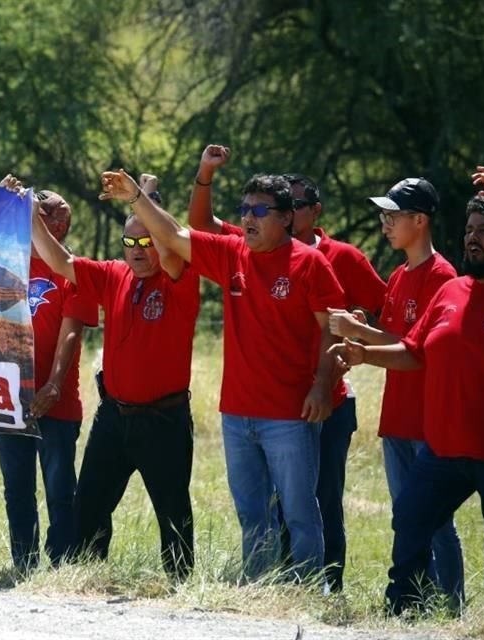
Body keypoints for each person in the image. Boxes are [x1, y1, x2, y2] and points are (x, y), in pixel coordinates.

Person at [109, 165, 346, 581]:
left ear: (287, 217)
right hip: (236, 414)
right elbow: (173, 236)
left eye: (260, 210)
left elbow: (332, 327)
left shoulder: (310, 263)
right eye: (244, 209)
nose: (248, 218)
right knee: (252, 514)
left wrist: (323, 385)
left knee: (300, 513)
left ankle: (308, 592)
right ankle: (258, 590)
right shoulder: (231, 254)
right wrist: (136, 198)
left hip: (290, 415)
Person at [187, 146, 386, 590]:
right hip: (259, 404)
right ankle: (267, 591)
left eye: (292, 205)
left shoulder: (333, 257)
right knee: (262, 507)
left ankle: (320, 587)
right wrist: (201, 175)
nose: (251, 217)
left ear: (302, 213)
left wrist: (337, 366)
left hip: (320, 399)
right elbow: (198, 227)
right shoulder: (246, 246)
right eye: (247, 209)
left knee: (315, 503)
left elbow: (370, 312)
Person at [330, 194, 484, 614]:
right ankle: (404, 610)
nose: (473, 239)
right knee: (410, 518)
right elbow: (415, 352)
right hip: (444, 448)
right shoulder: (452, 291)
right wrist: (364, 354)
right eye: (469, 230)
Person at [30, 176, 199, 580]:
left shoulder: (179, 279)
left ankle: (181, 588)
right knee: (87, 505)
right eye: (130, 243)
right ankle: (87, 579)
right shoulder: (112, 274)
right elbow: (60, 262)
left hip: (164, 419)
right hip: (115, 416)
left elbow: (173, 239)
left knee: (172, 510)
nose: (138, 251)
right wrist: (29, 218)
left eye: (147, 242)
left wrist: (141, 200)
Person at [328, 177, 463, 605]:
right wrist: (361, 333)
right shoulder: (399, 273)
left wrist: (357, 331)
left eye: (393, 216)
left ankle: (451, 600)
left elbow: (414, 346)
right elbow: (392, 334)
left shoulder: (442, 275)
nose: (385, 224)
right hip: (398, 414)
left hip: (428, 416)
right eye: (384, 216)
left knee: (435, 516)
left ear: (419, 220)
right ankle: (415, 595)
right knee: (406, 514)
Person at [0, 180, 98, 573]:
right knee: (16, 487)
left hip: (58, 401)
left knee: (59, 487)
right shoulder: (10, 261)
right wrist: (0, 196)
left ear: (60, 221)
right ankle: (23, 562)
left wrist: (54, 383)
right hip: (10, 398)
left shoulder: (73, 271)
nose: (29, 212)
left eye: (39, 207)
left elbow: (71, 331)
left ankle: (62, 565)